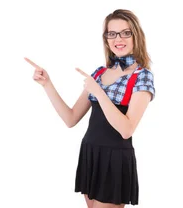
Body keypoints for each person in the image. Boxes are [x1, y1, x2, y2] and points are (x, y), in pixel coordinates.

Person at [26, 9, 154, 208]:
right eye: (111, 33)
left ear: (136, 35)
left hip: (115, 158)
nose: (118, 39)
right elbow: (71, 118)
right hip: (91, 153)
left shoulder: (142, 76)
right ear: (106, 39)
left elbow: (126, 129)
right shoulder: (100, 72)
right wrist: (47, 84)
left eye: (125, 32)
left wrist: (99, 92)